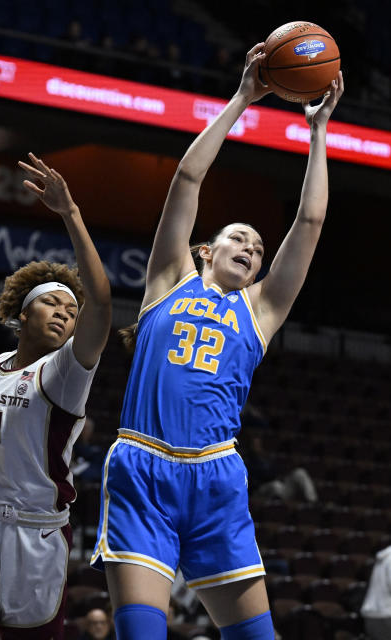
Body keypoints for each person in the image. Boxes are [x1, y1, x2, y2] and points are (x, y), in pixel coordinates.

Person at [90, 43, 344, 640]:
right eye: (239, 236)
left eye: (257, 247)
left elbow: (309, 224)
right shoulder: (167, 281)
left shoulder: (260, 310)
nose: (251, 247)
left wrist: (318, 133)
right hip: (142, 468)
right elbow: (187, 176)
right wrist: (242, 100)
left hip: (216, 479)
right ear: (206, 250)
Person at [0, 153, 112, 640]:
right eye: (51, 302)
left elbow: (103, 303)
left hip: (39, 532)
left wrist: (70, 214)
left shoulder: (65, 372)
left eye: (71, 311)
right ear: (22, 315)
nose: (63, 314)